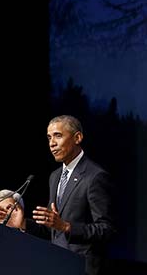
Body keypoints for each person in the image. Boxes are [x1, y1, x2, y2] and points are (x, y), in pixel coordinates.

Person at [25, 115, 115, 275]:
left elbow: (106, 229)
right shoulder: (55, 176)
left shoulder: (95, 176)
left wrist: (66, 227)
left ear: (77, 137)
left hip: (83, 268)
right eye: (49, 137)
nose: (52, 143)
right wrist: (23, 223)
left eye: (58, 136)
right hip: (57, 264)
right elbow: (52, 229)